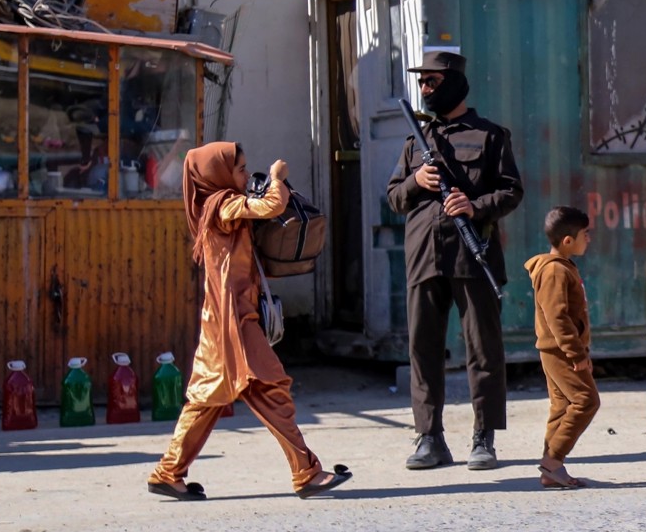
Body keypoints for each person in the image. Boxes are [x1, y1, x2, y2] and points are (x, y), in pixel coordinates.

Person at [147, 142, 352, 500]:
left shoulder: (216, 204)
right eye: (239, 169)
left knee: (207, 399)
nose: (244, 174)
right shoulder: (220, 204)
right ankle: (306, 472)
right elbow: (271, 204)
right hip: (232, 321)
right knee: (270, 387)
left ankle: (168, 472)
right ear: (218, 173)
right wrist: (276, 178)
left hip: (226, 317)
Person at [387, 50, 524, 471]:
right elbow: (393, 198)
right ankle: (430, 437)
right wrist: (415, 181)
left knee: (483, 347)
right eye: (422, 82)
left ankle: (484, 437)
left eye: (433, 81)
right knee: (423, 348)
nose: (425, 89)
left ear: (454, 84)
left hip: (472, 254)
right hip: (424, 255)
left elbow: (511, 191)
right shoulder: (416, 140)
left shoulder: (490, 135)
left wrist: (475, 205)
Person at [525, 206, 600, 489]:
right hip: (560, 351)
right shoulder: (554, 271)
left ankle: (550, 471)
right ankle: (553, 460)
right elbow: (558, 318)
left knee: (561, 407)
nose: (588, 239)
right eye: (585, 234)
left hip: (559, 350)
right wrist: (576, 355)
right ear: (568, 240)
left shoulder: (562, 267)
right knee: (586, 401)